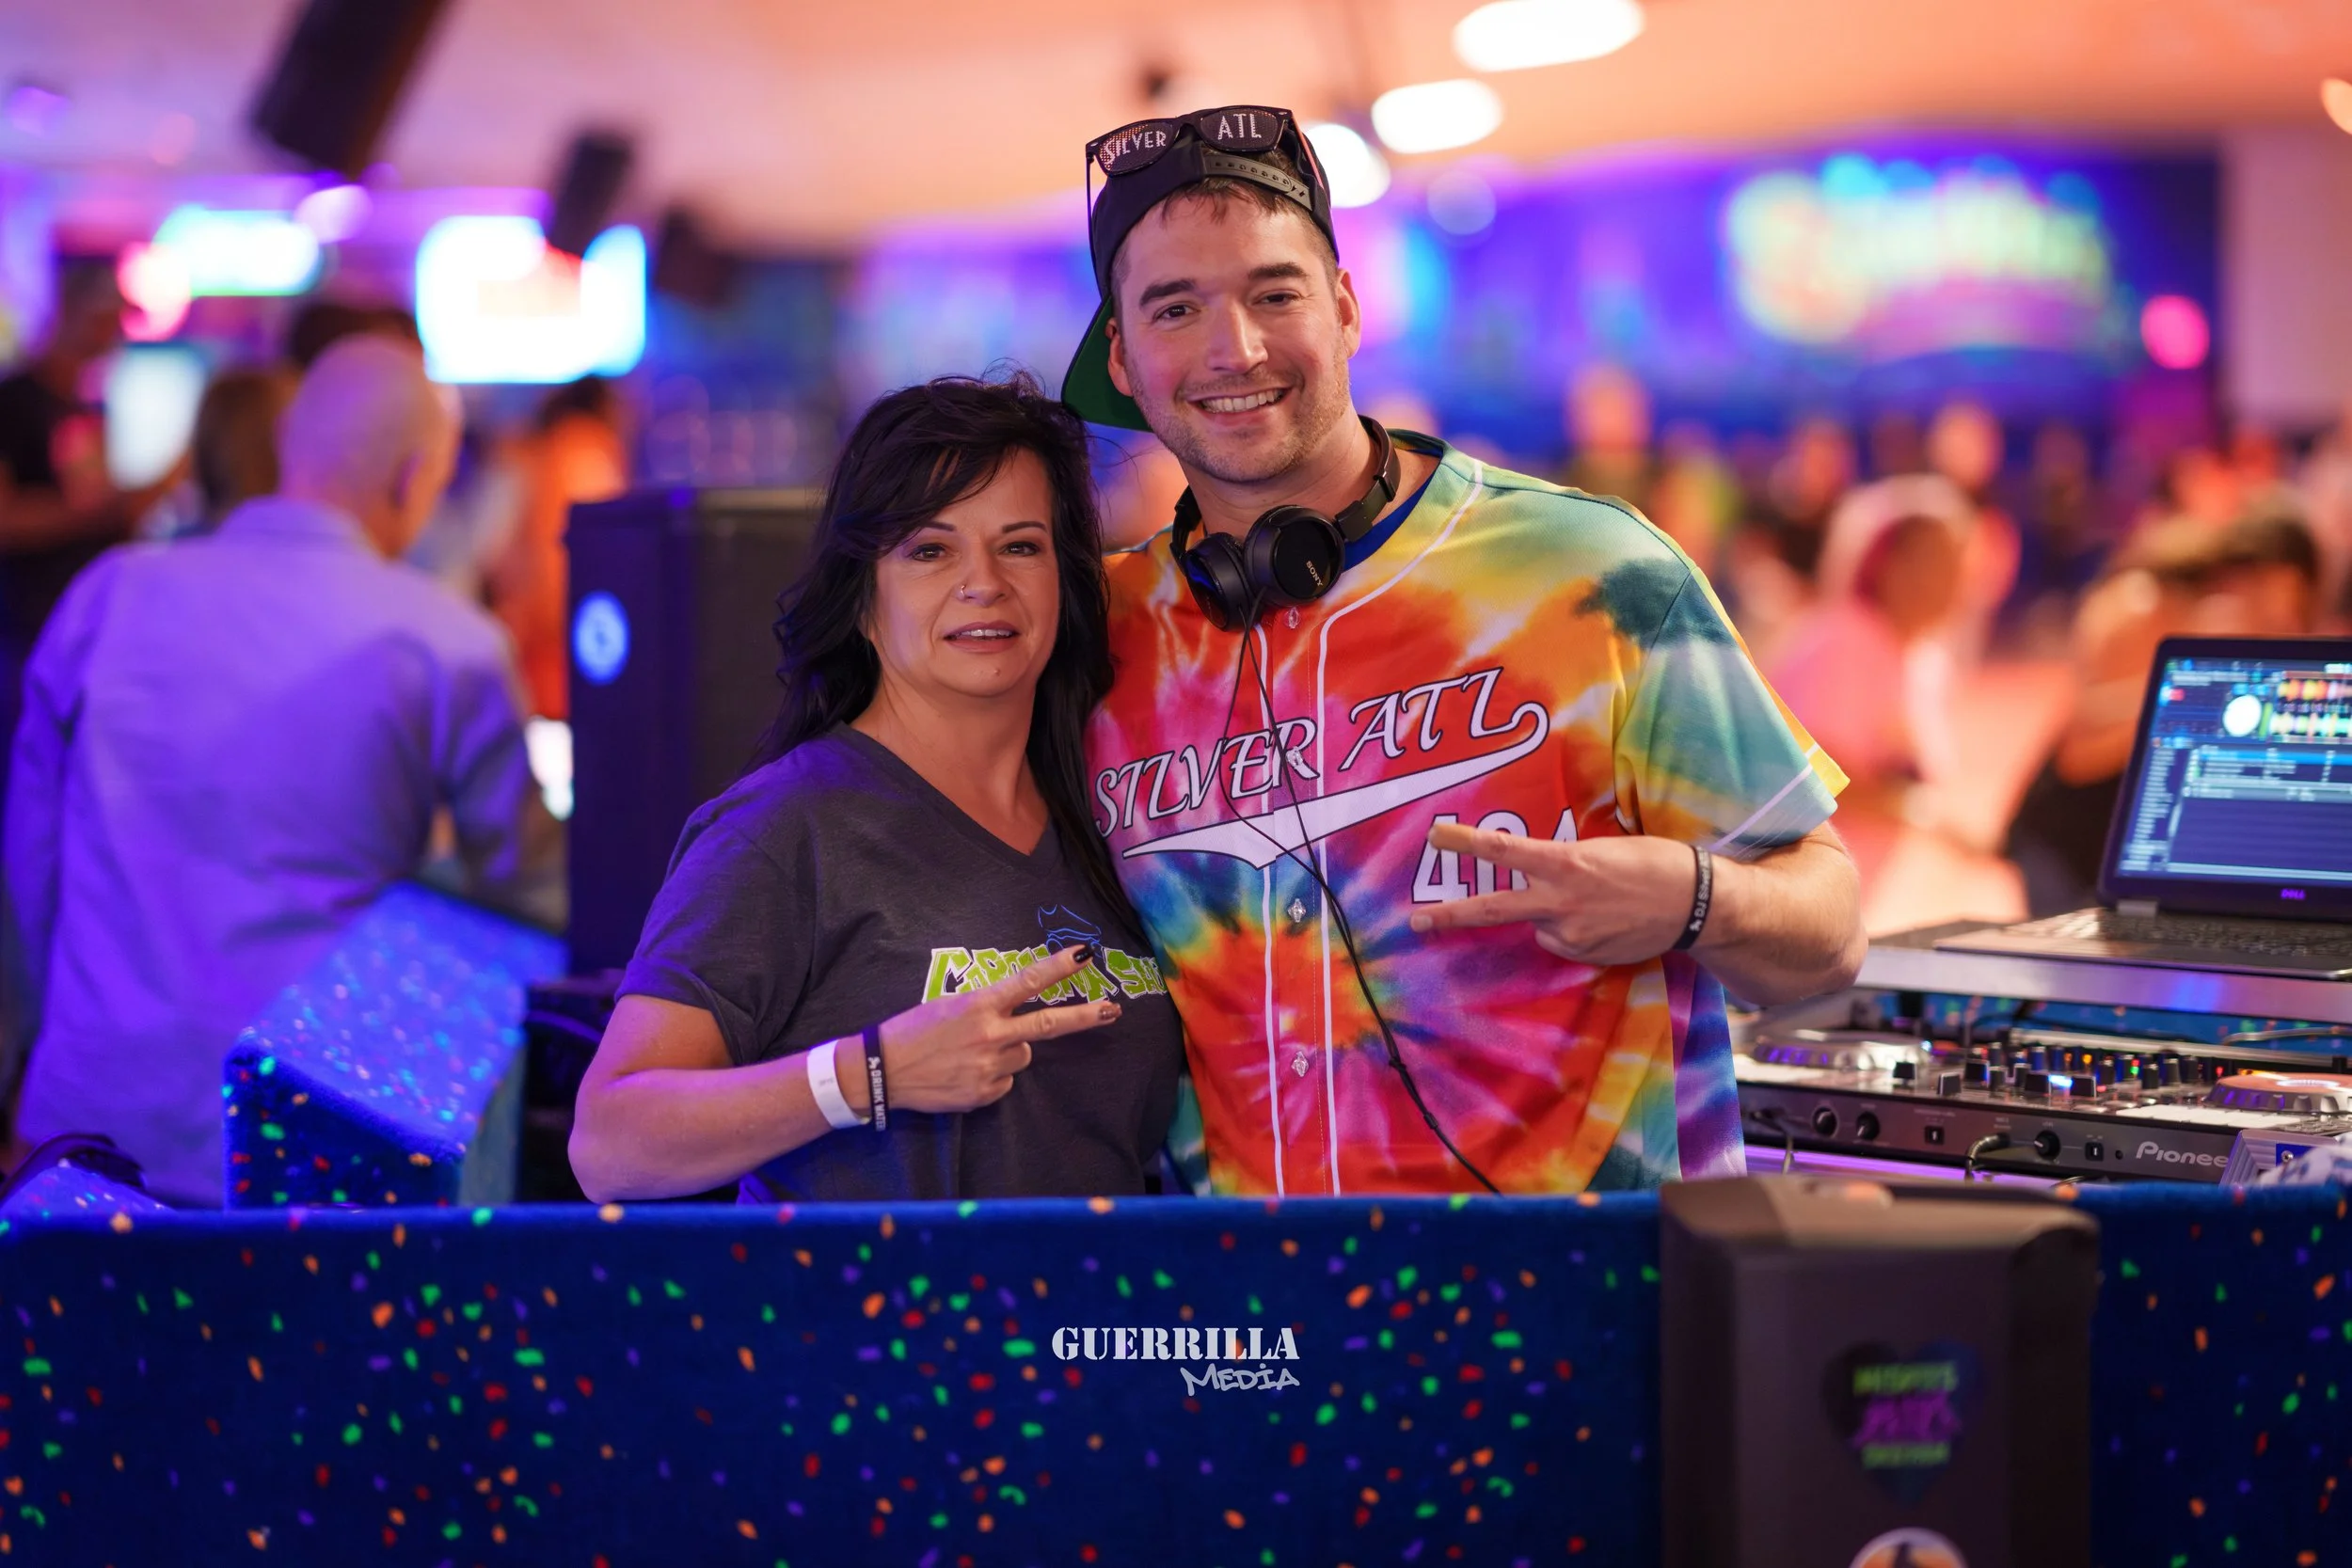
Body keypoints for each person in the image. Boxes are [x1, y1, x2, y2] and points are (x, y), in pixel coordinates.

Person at [1060, 105, 1864, 1196]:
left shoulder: (1590, 571)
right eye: (1175, 306)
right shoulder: (1093, 636)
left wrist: (1689, 896)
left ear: (1344, 307)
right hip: (1258, 1323)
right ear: (1122, 354)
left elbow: (1829, 931)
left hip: (1583, 1305)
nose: (1233, 347)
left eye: (1273, 291)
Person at [567, 376, 1184, 1205]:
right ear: (863, 596)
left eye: (1021, 545)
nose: (984, 583)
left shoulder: (1111, 811)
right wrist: (871, 1072)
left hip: (1094, 1332)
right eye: (931, 550)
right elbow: (611, 1140)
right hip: (875, 1332)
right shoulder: (786, 828)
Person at [3, 336, 546, 1203]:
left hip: (87, 1120)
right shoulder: (451, 644)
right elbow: (525, 890)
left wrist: (35, 1043)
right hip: (305, 1143)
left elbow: (30, 863)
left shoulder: (109, 594)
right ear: (414, 480)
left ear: (289, 442)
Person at [2005, 511, 2322, 915]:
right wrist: (2195, 693)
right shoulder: (2144, 606)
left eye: (2292, 615)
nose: (2282, 627)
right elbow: (2079, 749)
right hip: (2066, 839)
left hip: (2141, 851)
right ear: (2231, 580)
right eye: (2265, 603)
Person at [0, 264, 180, 795]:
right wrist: (109, 510)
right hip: (23, 626)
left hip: (82, 619)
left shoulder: (90, 404)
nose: (114, 336)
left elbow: (96, 506)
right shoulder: (13, 401)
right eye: (105, 320)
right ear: (70, 313)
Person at [485, 376, 630, 719]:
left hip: (527, 655)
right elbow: (587, 561)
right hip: (562, 660)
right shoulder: (584, 452)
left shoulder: (533, 451)